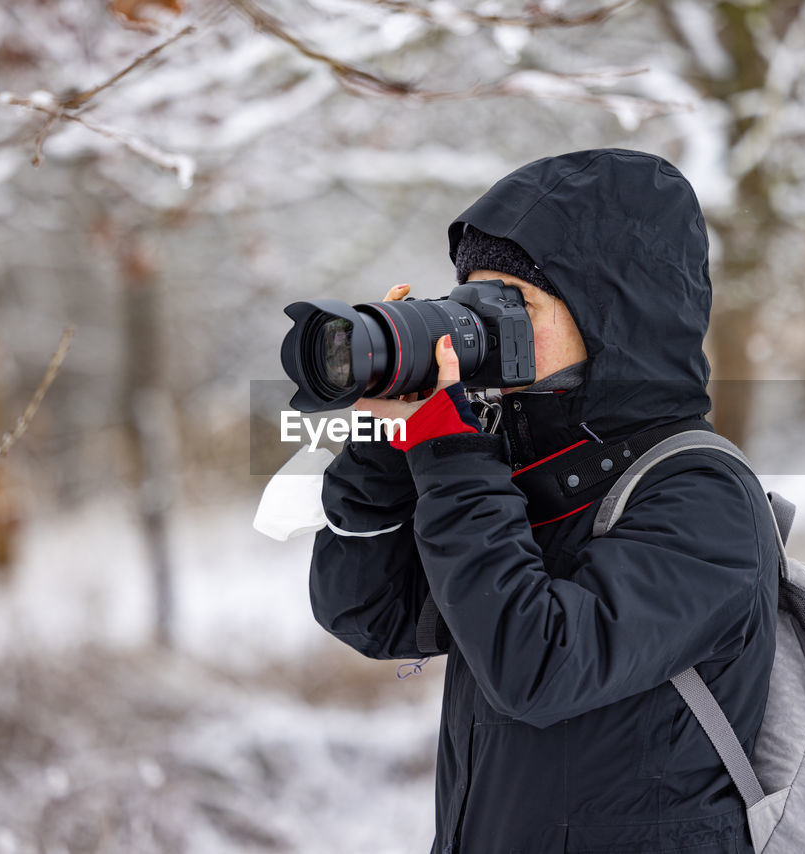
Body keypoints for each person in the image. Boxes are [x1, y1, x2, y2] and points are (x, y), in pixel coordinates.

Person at [308, 149, 778, 853]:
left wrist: (452, 454)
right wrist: (389, 443)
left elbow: (538, 666)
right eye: (471, 297)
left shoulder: (702, 494)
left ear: (611, 315)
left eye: (513, 305)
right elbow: (369, 614)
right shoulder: (526, 474)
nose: (481, 328)